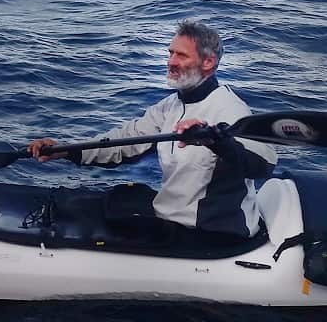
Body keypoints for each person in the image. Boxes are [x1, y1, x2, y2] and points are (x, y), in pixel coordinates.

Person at [27, 19, 276, 240]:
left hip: (212, 233)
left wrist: (216, 140)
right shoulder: (171, 105)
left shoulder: (230, 109)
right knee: (98, 201)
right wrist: (67, 151)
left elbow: (263, 165)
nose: (171, 62)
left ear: (208, 62)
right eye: (170, 53)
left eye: (181, 56)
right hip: (169, 216)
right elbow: (125, 142)